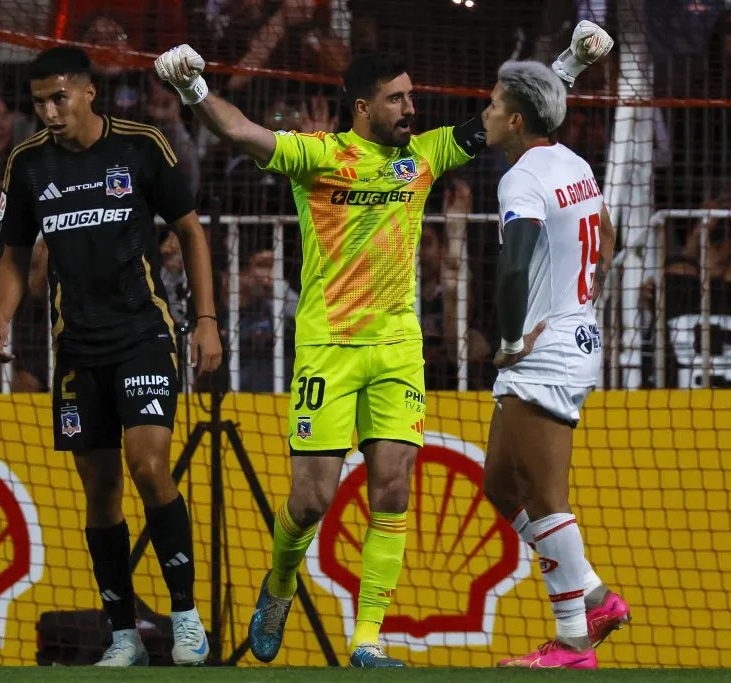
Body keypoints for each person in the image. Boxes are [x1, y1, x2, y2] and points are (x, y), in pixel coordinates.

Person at [153, 22, 613, 669]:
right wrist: (193, 85)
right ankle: (280, 584)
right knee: (312, 498)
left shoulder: (424, 154)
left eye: (412, 97)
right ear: (364, 107)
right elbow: (238, 131)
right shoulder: (316, 157)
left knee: (392, 488)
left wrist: (570, 62)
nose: (412, 109)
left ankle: (368, 636)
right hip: (328, 349)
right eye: (398, 99)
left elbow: (513, 117)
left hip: (397, 347)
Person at [0, 46, 223, 667]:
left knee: (148, 465)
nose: (48, 112)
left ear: (88, 93)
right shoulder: (27, 163)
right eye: (38, 102)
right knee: (101, 492)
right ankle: (122, 634)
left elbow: (190, 229)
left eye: (58, 98)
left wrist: (208, 321)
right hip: (76, 348)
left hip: (143, 332)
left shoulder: (142, 145)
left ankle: (186, 617)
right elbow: (12, 252)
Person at [480, 60, 628, 670]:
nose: (484, 114)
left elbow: (513, 269)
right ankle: (591, 591)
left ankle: (572, 641)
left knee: (544, 495)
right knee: (498, 484)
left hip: (544, 354)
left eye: (491, 105)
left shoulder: (521, 180)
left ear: (516, 120)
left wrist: (512, 338)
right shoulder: (575, 165)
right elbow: (610, 239)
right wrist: (578, 301)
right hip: (573, 337)